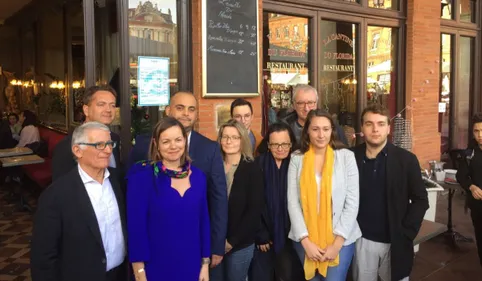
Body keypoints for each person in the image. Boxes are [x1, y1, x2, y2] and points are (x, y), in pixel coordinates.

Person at [128, 91, 228, 268]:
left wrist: (216, 246)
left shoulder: (210, 149)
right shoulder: (142, 145)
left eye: (191, 109)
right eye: (180, 108)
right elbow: (135, 211)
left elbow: (217, 199)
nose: (186, 114)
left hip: (193, 249)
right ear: (167, 110)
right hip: (156, 251)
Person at [31, 122, 127, 281]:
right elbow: (44, 256)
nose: (108, 150)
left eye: (110, 144)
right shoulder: (56, 195)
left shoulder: (119, 181)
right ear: (77, 150)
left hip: (119, 275)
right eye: (99, 145)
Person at [127, 117, 210, 281]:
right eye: (166, 141)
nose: (173, 146)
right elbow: (136, 229)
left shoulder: (199, 176)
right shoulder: (141, 179)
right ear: (156, 143)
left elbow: (203, 221)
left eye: (178, 140)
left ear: (185, 141)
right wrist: (139, 272)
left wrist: (205, 264)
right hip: (155, 268)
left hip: (192, 265)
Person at [352, 104, 428, 281]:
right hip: (361, 239)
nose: (375, 129)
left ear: (388, 128)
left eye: (380, 123)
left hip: (395, 240)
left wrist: (406, 232)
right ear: (362, 128)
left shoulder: (406, 160)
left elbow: (420, 200)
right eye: (369, 124)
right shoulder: (350, 156)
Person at [287, 109, 361, 281]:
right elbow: (292, 202)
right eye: (315, 129)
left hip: (340, 239)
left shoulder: (346, 157)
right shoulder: (297, 159)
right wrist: (306, 242)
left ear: (332, 131)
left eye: (326, 129)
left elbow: (352, 202)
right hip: (305, 238)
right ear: (307, 131)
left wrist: (336, 244)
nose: (321, 135)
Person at [210, 119, 264, 281]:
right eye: (225, 137)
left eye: (234, 137)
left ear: (243, 140)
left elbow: (254, 211)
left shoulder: (252, 168)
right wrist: (217, 241)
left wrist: (231, 242)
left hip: (240, 243)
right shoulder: (213, 165)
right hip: (214, 241)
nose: (229, 141)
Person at [249, 122, 304, 281]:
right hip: (264, 238)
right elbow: (253, 202)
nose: (280, 148)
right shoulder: (258, 165)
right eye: (275, 144)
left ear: (292, 143)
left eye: (285, 144)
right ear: (268, 145)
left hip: (292, 235)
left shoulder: (298, 163)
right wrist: (261, 233)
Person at [52, 85, 120, 181]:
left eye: (112, 105)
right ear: (86, 110)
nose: (108, 109)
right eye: (101, 104)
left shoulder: (114, 138)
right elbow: (61, 188)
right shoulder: (67, 146)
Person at [282, 84, 348, 146]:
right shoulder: (284, 126)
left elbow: (344, 151)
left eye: (310, 103)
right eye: (301, 103)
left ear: (316, 103)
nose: (306, 108)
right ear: (294, 105)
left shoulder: (332, 125)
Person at [456, 112, 482, 267]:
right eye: (476, 131)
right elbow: (461, 176)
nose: (480, 135)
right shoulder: (470, 153)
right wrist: (471, 187)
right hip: (478, 206)